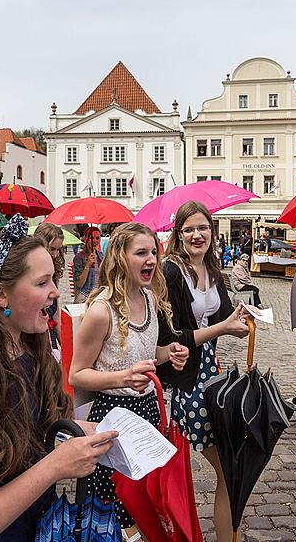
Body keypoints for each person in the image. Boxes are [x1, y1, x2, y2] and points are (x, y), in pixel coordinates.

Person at [0, 214, 116, 541]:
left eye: (53, 279)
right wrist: (54, 466)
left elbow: (31, 437)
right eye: (41, 283)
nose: (55, 292)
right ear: (0, 295)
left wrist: (72, 431)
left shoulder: (35, 353)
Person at [69, 222, 189, 541]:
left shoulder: (150, 299)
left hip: (147, 411)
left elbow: (145, 356)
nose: (151, 259)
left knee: (146, 503)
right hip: (114, 419)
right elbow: (76, 374)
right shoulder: (101, 311)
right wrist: (123, 377)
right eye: (141, 253)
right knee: (117, 510)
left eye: (153, 252)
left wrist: (169, 352)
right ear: (120, 258)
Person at [157, 201, 250, 542]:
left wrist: (240, 318)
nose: (197, 235)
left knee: (231, 466)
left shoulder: (213, 270)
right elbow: (169, 338)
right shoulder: (170, 272)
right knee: (228, 465)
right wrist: (223, 328)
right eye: (189, 229)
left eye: (203, 228)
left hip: (211, 374)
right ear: (178, 235)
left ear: (212, 230)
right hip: (187, 380)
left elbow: (224, 315)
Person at [34, 222, 65, 355]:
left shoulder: (54, 271)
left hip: (50, 329)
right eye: (52, 249)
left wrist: (65, 345)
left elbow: (56, 313)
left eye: (58, 250)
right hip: (34, 334)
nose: (56, 254)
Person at [72, 226, 103, 303]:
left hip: (98, 297)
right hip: (83, 297)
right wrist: (88, 265)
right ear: (86, 239)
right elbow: (79, 284)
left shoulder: (101, 256)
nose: (94, 241)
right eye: (91, 238)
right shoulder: (79, 257)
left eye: (97, 238)